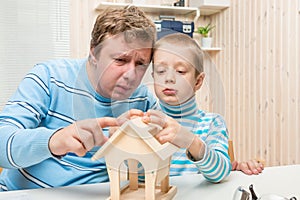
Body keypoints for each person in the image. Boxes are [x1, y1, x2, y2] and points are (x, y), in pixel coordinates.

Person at [0, 6, 157, 191]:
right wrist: (54, 140)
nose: (131, 74)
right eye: (120, 60)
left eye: (140, 64)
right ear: (94, 53)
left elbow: (156, 167)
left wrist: (131, 144)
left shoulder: (143, 99)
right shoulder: (49, 77)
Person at [142, 33, 263, 182]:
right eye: (161, 71)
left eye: (180, 71)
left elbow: (219, 173)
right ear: (153, 76)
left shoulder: (212, 123)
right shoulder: (145, 121)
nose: (169, 78)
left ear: (198, 82)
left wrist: (191, 141)